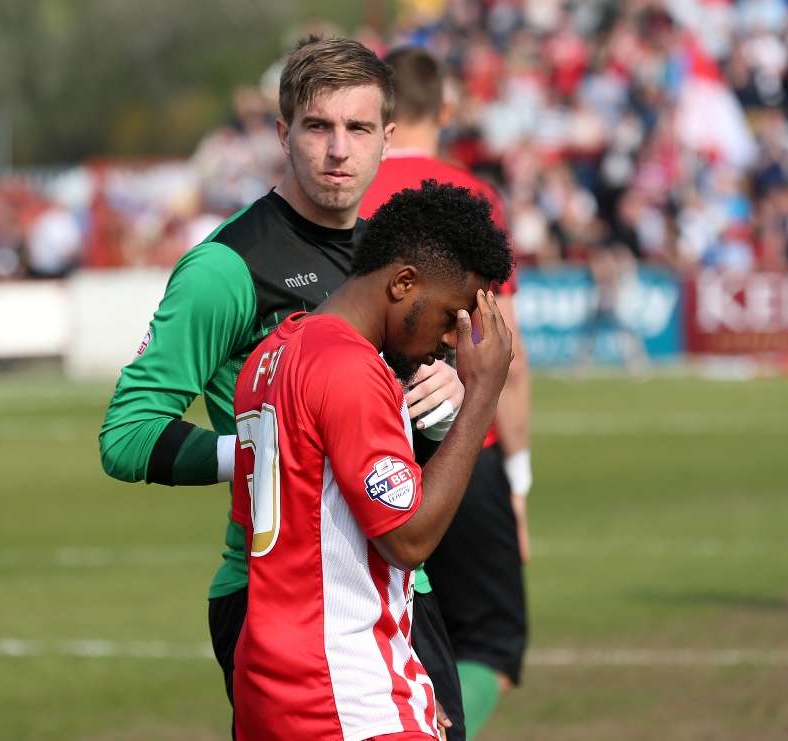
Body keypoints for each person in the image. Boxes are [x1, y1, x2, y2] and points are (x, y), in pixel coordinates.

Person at [99, 36, 466, 734]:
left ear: (388, 137)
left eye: (358, 129)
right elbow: (126, 433)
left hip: (397, 587)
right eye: (317, 126)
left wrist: (444, 401)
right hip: (277, 599)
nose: (338, 150)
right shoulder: (225, 268)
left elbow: (389, 431)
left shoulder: (394, 253)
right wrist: (258, 454)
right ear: (282, 133)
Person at [232, 181, 514, 741]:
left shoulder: (273, 353)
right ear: (404, 283)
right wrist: (482, 394)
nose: (451, 343)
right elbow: (406, 539)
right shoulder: (351, 370)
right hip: (342, 694)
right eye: (449, 316)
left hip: (274, 686)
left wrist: (403, 679)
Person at [360, 47, 534, 740]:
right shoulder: (469, 197)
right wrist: (516, 480)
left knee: (377, 636)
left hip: (364, 445)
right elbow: (505, 354)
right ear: (447, 109)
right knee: (491, 643)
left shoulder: (345, 193)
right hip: (458, 444)